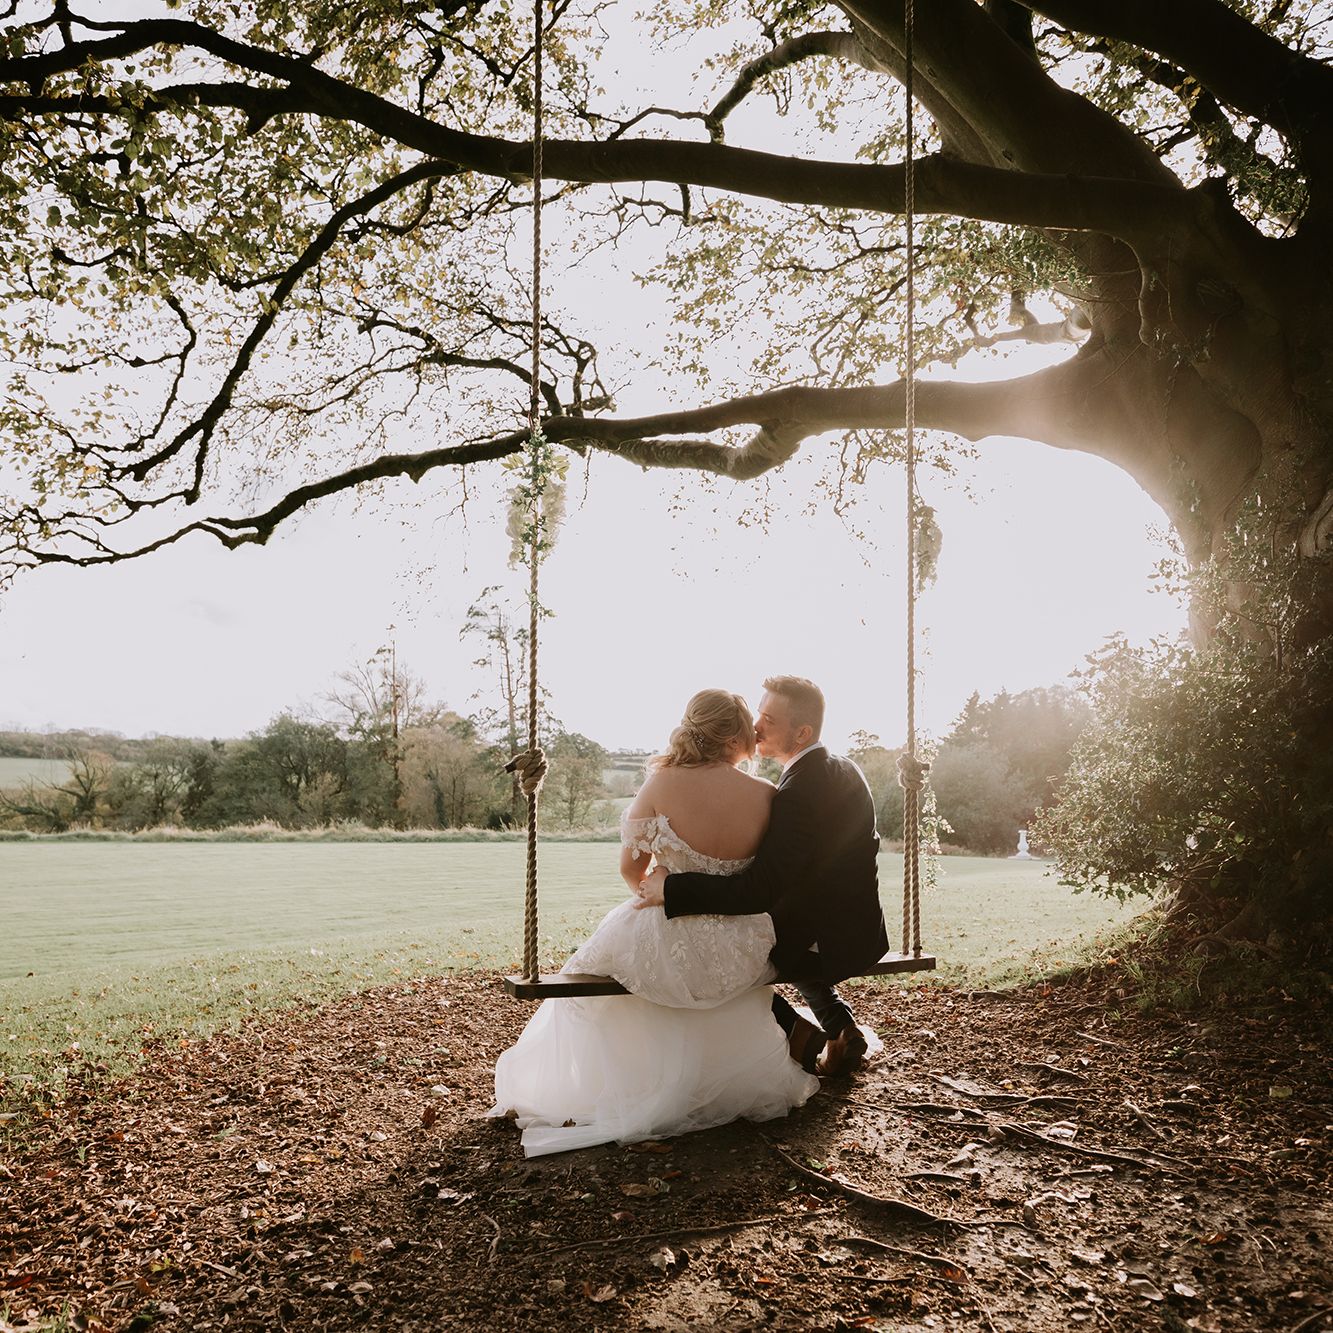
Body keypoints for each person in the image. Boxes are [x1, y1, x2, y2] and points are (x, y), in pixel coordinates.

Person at [489, 689, 818, 1157]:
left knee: (607, 970)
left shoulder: (662, 783)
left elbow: (630, 868)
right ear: (732, 739)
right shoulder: (767, 795)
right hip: (742, 941)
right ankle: (720, 1083)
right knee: (697, 976)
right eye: (750, 725)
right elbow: (772, 875)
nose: (757, 734)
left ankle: (642, 1085)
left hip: (670, 926)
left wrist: (656, 888)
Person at [637, 675, 888, 1077]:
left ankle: (800, 1036)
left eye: (768, 719)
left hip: (825, 940)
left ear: (802, 732)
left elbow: (758, 891)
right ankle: (842, 1026)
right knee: (758, 933)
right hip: (860, 929)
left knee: (719, 952)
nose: (755, 726)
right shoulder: (844, 768)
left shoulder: (796, 794)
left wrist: (672, 886)